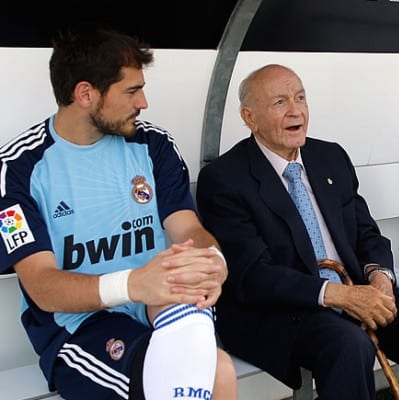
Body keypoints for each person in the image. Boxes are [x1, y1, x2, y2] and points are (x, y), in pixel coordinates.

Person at [196, 63, 399, 399]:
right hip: (281, 310)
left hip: (355, 290)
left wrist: (381, 280)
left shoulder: (329, 157)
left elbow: (367, 234)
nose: (295, 111)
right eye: (280, 102)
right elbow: (253, 275)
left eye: (300, 98)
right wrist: (338, 295)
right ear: (249, 118)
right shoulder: (225, 179)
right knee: (348, 344)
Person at [0, 27, 237, 400]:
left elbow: (187, 229)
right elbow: (43, 287)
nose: (143, 102)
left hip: (155, 301)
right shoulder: (18, 168)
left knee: (214, 370)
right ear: (85, 94)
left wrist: (212, 261)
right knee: (205, 375)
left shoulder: (153, 145)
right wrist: (133, 284)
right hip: (79, 328)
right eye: (131, 91)